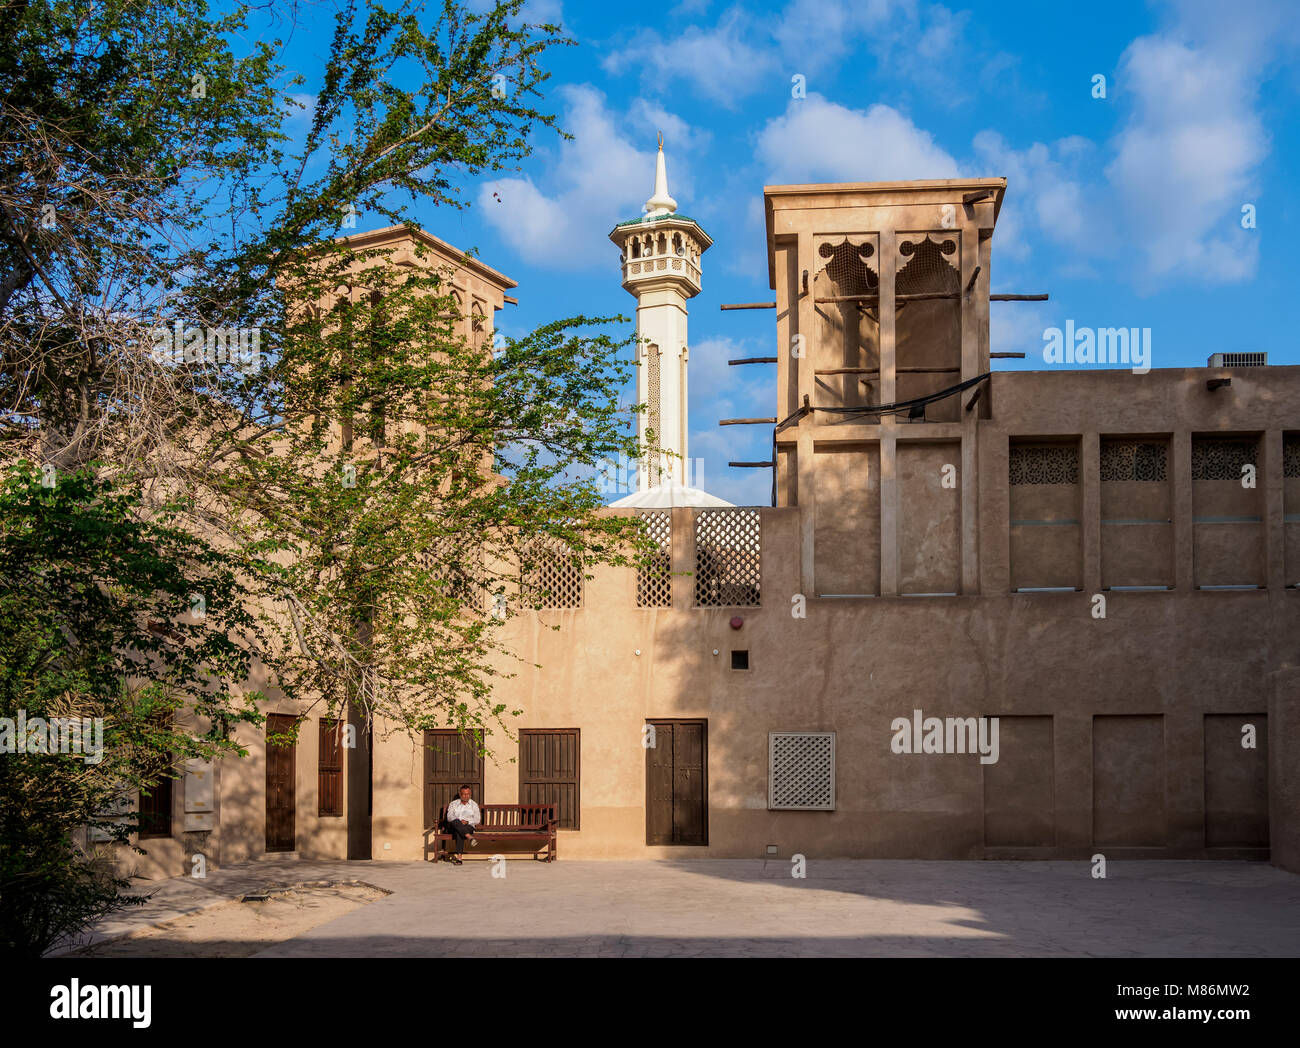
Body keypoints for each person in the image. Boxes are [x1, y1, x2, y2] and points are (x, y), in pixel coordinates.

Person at [444, 784, 480, 864]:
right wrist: (460, 822)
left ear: (470, 794)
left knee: (459, 831)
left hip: (468, 826)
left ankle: (459, 858)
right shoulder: (453, 804)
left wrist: (467, 822)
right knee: (457, 822)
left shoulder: (474, 805)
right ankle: (469, 837)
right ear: (460, 794)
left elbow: (477, 820)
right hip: (454, 826)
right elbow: (449, 817)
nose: (466, 796)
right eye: (464, 794)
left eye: (468, 794)